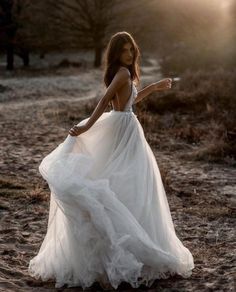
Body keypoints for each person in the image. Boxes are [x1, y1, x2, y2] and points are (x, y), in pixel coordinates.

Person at [28, 31, 194, 290]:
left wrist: (155, 87)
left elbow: (131, 101)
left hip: (127, 128)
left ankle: (132, 243)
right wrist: (86, 128)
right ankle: (125, 248)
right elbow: (106, 101)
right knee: (126, 182)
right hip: (123, 130)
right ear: (116, 53)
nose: (130, 54)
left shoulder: (125, 74)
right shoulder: (123, 73)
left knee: (129, 183)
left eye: (132, 49)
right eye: (125, 50)